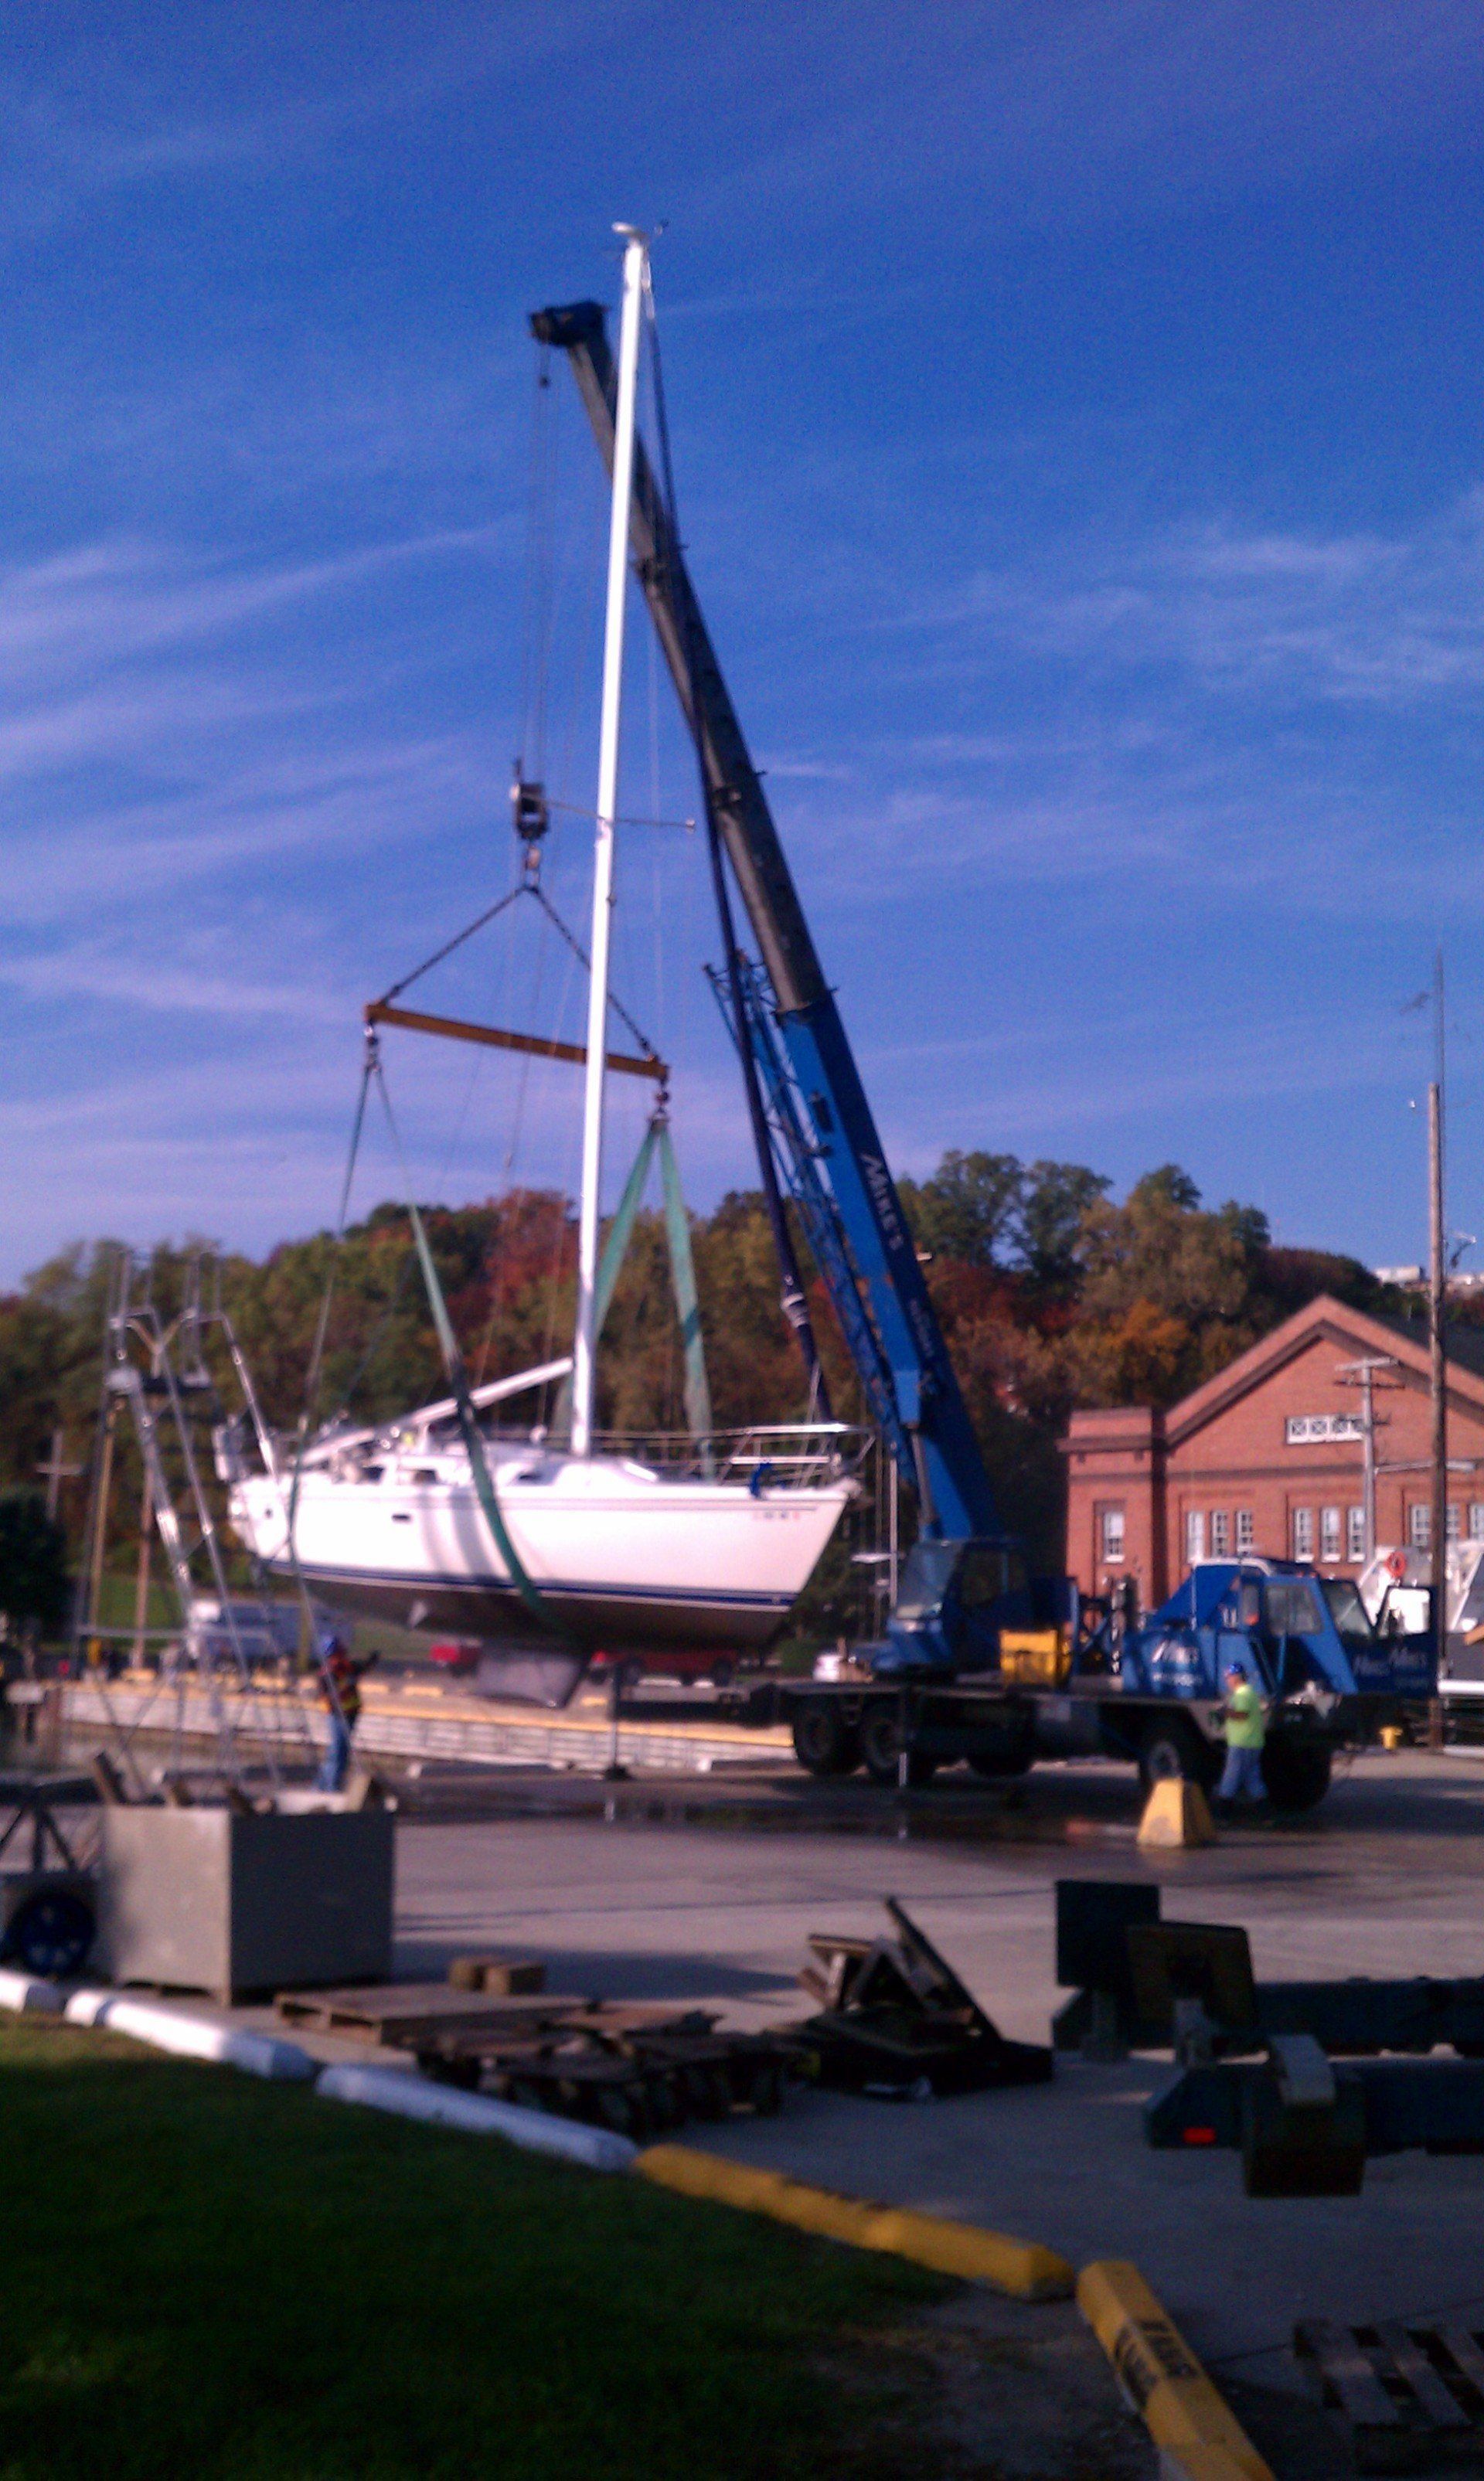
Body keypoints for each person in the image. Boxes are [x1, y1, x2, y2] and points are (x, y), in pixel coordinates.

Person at [315, 1632, 376, 1792]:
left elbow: (361, 1669)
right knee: (338, 1751)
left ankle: (326, 1785)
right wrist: (343, 1688)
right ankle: (330, 1787)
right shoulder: (327, 1673)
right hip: (337, 1715)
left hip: (350, 1714)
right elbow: (324, 1695)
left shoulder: (348, 1667)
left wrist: (372, 1660)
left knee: (340, 1751)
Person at [1216, 1661, 1267, 1812]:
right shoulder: (1249, 1692)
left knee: (1231, 1777)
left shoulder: (1242, 1694)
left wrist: (1224, 1713)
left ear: (1236, 1677)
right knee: (1252, 1779)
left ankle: (1223, 1812)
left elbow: (1242, 1714)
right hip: (1253, 1743)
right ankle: (1265, 1813)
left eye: (1228, 1677)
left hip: (1242, 1744)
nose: (1227, 1681)